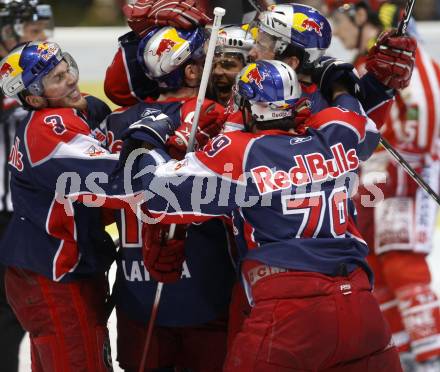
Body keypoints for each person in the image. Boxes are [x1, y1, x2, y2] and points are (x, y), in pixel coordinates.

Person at [125, 58, 403, 371]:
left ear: (247, 107)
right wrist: (337, 84)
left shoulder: (239, 150)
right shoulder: (334, 135)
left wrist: (147, 141)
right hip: (362, 308)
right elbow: (358, 120)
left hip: (290, 314)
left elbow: (156, 194)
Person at [0, 40, 149, 371]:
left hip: (57, 268)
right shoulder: (47, 128)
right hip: (54, 275)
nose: (69, 79)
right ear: (35, 98)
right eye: (56, 78)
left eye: (66, 68)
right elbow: (118, 180)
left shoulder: (81, 112)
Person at [104, 24, 236, 371]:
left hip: (134, 284)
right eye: (205, 59)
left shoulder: (115, 121)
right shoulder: (213, 113)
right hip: (204, 281)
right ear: (192, 71)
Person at [330, 1, 440, 369]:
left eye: (339, 19)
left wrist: (397, 169)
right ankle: (404, 351)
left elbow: (423, 120)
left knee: (401, 262)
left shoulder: (406, 57)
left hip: (404, 176)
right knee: (373, 263)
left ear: (361, 16)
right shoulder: (364, 64)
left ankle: (432, 355)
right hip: (373, 180)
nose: (337, 30)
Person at [0, 1, 54, 371]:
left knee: (14, 309)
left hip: (19, 210)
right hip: (3, 211)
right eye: (34, 31)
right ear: (9, 31)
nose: (42, 39)